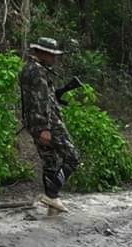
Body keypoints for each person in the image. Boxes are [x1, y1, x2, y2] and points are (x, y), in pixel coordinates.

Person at [19, 37, 80, 214]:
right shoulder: (37, 72)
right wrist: (44, 128)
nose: (54, 58)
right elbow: (40, 101)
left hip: (33, 122)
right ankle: (52, 193)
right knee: (72, 156)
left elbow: (36, 98)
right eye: (52, 55)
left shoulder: (28, 69)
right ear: (43, 53)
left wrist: (56, 96)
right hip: (47, 123)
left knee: (49, 160)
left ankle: (52, 200)